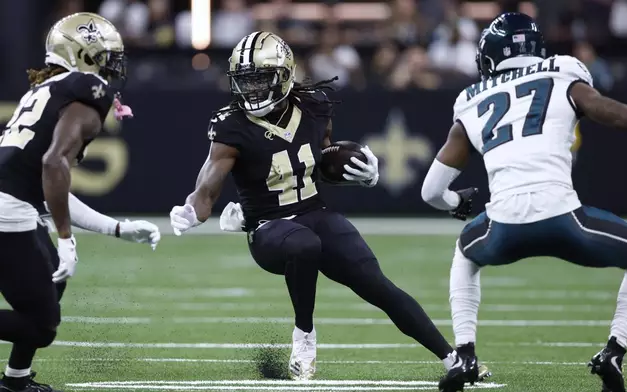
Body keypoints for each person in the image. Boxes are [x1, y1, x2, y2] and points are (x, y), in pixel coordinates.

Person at [170, 31, 480, 391]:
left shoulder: (315, 106)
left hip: (314, 212)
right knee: (304, 244)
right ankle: (304, 334)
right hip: (268, 228)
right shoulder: (231, 125)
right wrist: (192, 210)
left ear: (284, 75)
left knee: (379, 286)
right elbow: (206, 188)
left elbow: (324, 164)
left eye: (260, 79)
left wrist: (364, 174)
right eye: (245, 81)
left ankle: (453, 359)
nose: (251, 90)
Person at [421, 12, 627, 392]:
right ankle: (614, 351)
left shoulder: (472, 100)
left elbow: (430, 192)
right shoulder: (563, 72)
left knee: (465, 252)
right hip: (566, 221)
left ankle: (466, 355)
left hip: (502, 228)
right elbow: (613, 113)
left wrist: (455, 202)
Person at [0, 12, 129, 391]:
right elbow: (52, 162)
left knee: (52, 275)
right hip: (7, 210)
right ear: (81, 55)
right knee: (41, 327)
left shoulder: (42, 90)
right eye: (104, 56)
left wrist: (115, 228)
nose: (111, 66)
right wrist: (68, 237)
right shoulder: (85, 88)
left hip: (11, 203)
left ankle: (16, 381)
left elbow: (49, 183)